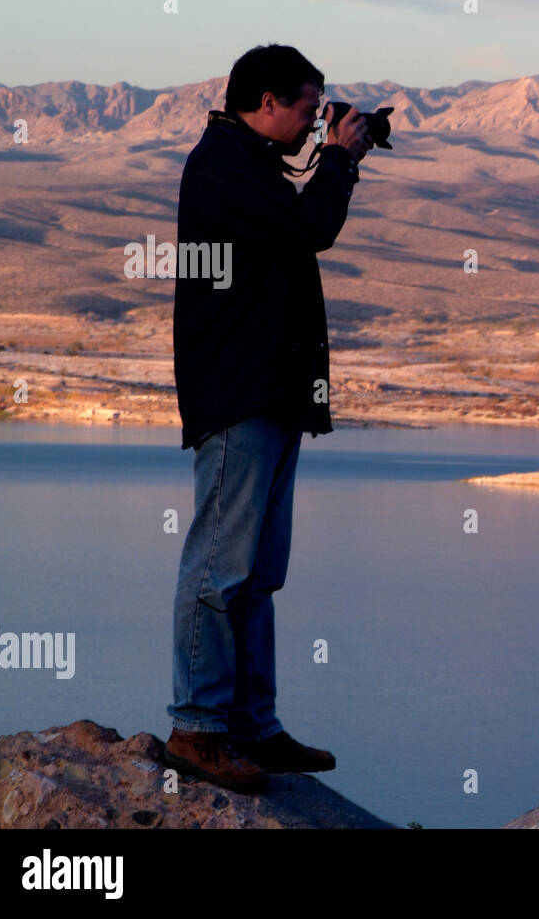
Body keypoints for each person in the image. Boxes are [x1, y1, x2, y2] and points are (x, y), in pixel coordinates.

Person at [165, 44, 372, 792]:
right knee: (219, 567)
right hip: (239, 393)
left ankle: (254, 726)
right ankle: (198, 727)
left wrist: (330, 155)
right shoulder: (225, 165)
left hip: (274, 394)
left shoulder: (252, 163)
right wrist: (341, 159)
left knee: (255, 574)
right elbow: (309, 228)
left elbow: (295, 227)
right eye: (309, 108)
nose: (318, 120)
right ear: (266, 103)